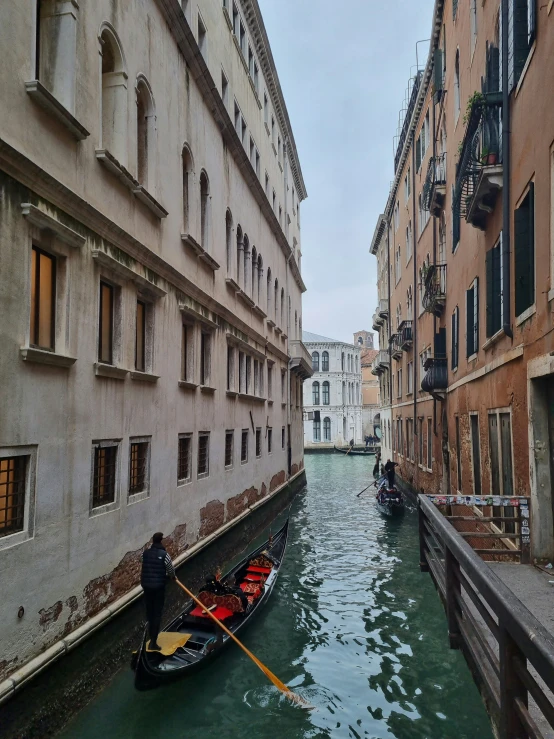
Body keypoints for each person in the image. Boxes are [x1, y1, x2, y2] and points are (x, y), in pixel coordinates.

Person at [141, 532, 176, 651]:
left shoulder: (145, 554)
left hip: (146, 587)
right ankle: (153, 644)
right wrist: (173, 577)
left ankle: (148, 638)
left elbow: (146, 565)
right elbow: (170, 569)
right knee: (157, 615)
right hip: (158, 588)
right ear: (161, 541)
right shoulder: (164, 555)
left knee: (149, 613)